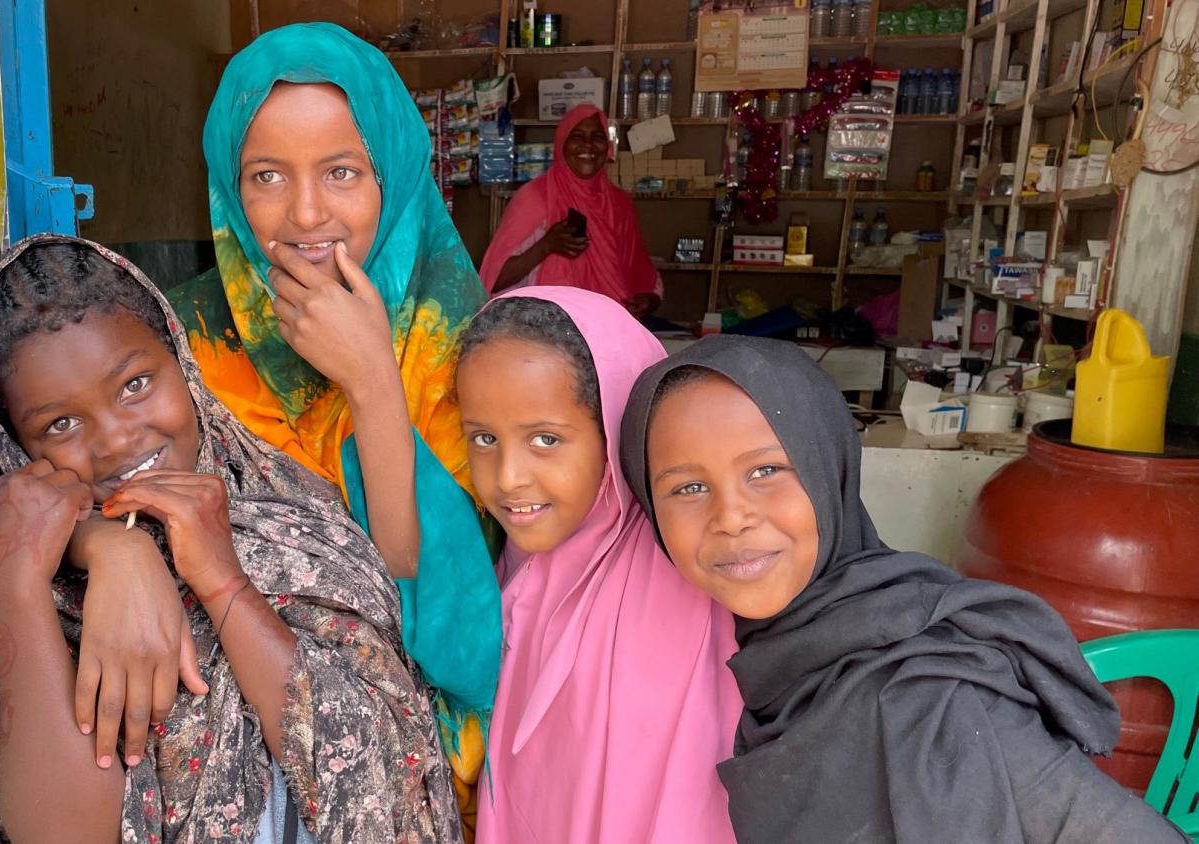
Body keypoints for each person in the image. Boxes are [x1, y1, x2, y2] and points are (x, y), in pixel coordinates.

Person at [0, 234, 462, 844]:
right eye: (61, 424)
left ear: (183, 363)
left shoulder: (295, 517)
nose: (116, 440)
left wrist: (221, 579)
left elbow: (377, 787)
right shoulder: (58, 598)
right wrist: (41, 573)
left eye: (135, 385)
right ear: (19, 447)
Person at [619, 334, 1189, 844]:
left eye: (767, 471)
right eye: (689, 486)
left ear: (830, 471)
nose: (732, 516)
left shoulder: (925, 691)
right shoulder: (759, 653)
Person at [161, 23, 502, 832]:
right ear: (227, 186)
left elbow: (427, 592)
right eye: (266, 175)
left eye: (342, 172)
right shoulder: (183, 341)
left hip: (402, 758)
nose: (306, 213)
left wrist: (374, 380)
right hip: (231, 750)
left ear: (394, 172)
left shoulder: (459, 344)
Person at [455, 287, 740, 843]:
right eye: (484, 438)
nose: (508, 475)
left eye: (545, 439)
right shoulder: (505, 567)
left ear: (616, 432)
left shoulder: (686, 592)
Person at [478, 105, 662, 319]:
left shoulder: (619, 203)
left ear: (608, 146)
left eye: (597, 137)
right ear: (561, 144)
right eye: (577, 136)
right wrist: (546, 246)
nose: (588, 145)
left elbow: (644, 278)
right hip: (544, 332)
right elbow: (494, 278)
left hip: (606, 331)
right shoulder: (534, 199)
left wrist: (648, 300)